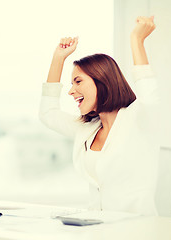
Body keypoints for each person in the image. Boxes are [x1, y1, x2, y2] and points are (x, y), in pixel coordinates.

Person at [39, 16, 159, 215]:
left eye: (78, 82)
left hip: (138, 229)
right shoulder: (87, 129)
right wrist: (58, 58)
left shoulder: (139, 119)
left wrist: (137, 40)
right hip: (98, 227)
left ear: (102, 81)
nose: (71, 91)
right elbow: (47, 114)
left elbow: (150, 95)